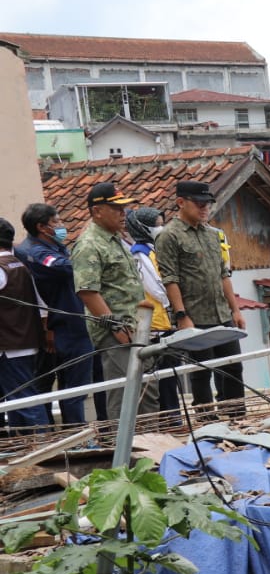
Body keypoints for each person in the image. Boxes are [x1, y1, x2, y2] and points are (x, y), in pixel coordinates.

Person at [155, 180, 246, 416]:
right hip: (195, 316)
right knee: (202, 371)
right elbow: (170, 279)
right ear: (181, 202)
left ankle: (237, 417)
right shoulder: (169, 236)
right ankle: (207, 420)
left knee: (232, 367)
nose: (205, 208)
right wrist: (182, 315)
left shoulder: (212, 234)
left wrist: (235, 310)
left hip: (221, 313)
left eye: (207, 203)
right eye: (199, 203)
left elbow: (223, 273)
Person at [73, 182, 156, 427]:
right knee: (125, 393)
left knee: (145, 390)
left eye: (124, 208)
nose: (123, 214)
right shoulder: (90, 244)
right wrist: (116, 327)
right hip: (116, 331)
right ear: (97, 211)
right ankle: (126, 457)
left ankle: (152, 445)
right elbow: (87, 291)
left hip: (134, 327)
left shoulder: (114, 239)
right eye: (116, 208)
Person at [15, 202, 91, 424]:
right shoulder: (35, 252)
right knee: (73, 389)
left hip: (73, 324)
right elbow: (65, 268)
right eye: (56, 221)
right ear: (42, 227)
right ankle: (77, 435)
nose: (62, 225)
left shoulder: (55, 247)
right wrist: (87, 248)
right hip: (66, 327)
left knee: (75, 386)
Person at [123, 207, 182, 421]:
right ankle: (169, 417)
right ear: (142, 228)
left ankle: (173, 414)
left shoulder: (153, 249)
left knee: (171, 372)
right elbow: (156, 287)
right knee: (162, 374)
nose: (161, 228)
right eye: (156, 224)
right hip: (156, 321)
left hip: (165, 319)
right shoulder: (140, 252)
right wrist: (173, 296)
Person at [0, 219, 51, 433]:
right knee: (18, 402)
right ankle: (26, 446)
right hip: (25, 342)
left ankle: (44, 444)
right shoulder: (20, 264)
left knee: (24, 399)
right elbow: (41, 307)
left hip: (10, 346)